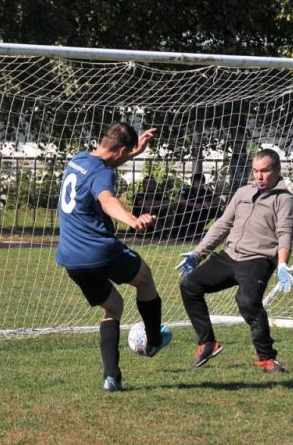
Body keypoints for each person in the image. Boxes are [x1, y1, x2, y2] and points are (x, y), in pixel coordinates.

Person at [56, 122, 172, 392]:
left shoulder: (79, 159)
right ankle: (153, 339)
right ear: (120, 150)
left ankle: (111, 377)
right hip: (99, 250)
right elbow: (107, 199)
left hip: (70, 257)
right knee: (144, 278)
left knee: (114, 306)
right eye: (125, 153)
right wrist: (132, 219)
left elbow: (102, 169)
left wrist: (133, 153)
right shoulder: (103, 176)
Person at [176, 149, 293, 373]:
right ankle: (207, 343)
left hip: (257, 260)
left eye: (265, 171)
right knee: (189, 285)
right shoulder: (242, 193)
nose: (259, 176)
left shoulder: (285, 200)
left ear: (277, 170)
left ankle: (267, 359)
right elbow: (222, 225)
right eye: (255, 171)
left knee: (247, 301)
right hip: (229, 256)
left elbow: (284, 234)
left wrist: (281, 264)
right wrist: (197, 254)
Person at [174, 173, 224, 239]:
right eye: (197, 182)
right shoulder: (185, 190)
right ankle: (186, 233)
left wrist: (209, 203)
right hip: (186, 218)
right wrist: (194, 205)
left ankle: (220, 230)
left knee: (216, 209)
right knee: (184, 208)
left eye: (201, 182)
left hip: (199, 217)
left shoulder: (207, 193)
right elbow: (179, 200)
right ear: (192, 182)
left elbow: (221, 200)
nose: (199, 184)